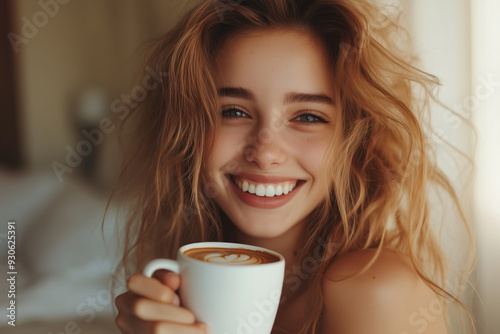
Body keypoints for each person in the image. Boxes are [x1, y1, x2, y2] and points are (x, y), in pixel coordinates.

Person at [113, 0, 475, 333]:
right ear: (188, 130)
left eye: (308, 116)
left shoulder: (372, 288)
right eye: (233, 112)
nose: (266, 152)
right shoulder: (191, 278)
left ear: (356, 141)